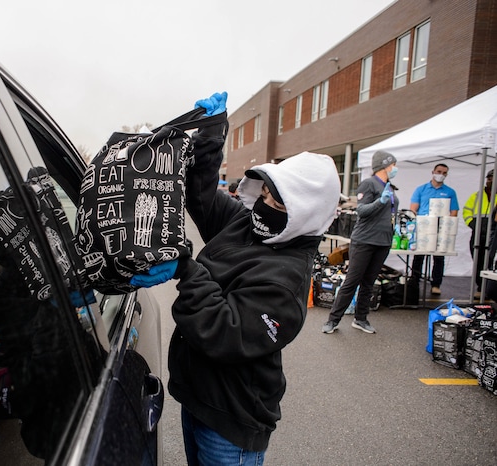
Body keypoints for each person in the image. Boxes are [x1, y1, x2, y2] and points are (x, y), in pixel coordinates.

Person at [145, 92, 340, 464]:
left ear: (306, 213)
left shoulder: (286, 281)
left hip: (231, 423)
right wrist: (211, 135)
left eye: (279, 203)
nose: (265, 206)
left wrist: (186, 270)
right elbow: (202, 196)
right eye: (265, 194)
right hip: (198, 399)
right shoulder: (247, 225)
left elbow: (224, 330)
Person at [323, 150, 398, 335]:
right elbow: (362, 211)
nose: (395, 168)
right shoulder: (369, 184)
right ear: (384, 166)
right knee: (352, 281)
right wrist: (380, 202)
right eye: (393, 164)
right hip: (365, 240)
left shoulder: (389, 186)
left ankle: (361, 318)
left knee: (369, 282)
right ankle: (333, 320)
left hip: (383, 241)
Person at [409, 163, 459, 295]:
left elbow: (454, 211)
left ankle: (436, 284)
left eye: (444, 173)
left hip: (441, 227)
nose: (441, 175)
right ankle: (414, 282)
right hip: (423, 226)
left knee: (439, 257)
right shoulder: (421, 189)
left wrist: (446, 225)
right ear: (433, 172)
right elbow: (413, 208)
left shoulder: (450, 192)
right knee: (419, 256)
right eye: (439, 171)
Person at [462, 169, 496, 296]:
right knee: (477, 260)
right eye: (489, 178)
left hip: (493, 233)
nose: (490, 181)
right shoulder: (476, 196)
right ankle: (480, 287)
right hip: (478, 233)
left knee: (490, 261)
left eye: (493, 178)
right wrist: (472, 224)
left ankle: (487, 288)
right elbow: (466, 211)